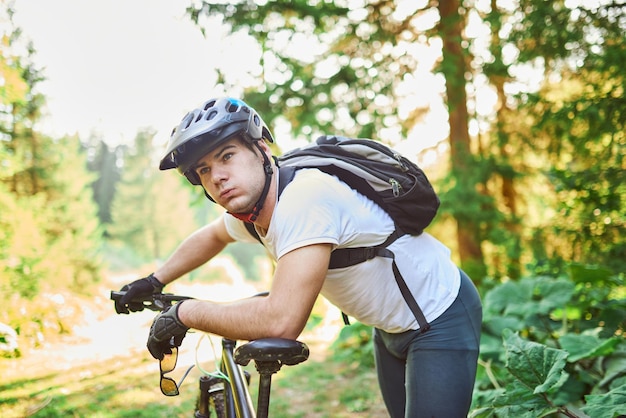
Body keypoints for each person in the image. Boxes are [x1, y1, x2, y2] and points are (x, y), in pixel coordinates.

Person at [114, 97, 483, 417]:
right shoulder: (257, 210)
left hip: (439, 316)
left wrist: (184, 313)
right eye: (204, 170)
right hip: (389, 327)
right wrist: (155, 280)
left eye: (227, 156)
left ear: (261, 151)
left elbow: (281, 321)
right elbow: (212, 235)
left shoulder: (305, 199)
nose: (218, 177)